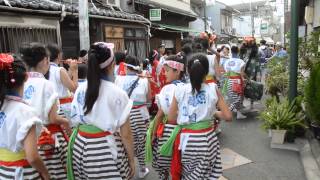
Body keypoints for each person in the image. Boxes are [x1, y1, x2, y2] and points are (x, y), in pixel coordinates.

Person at [160, 53, 232, 180]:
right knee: (207, 174)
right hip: (208, 140)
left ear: (188, 70)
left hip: (187, 141)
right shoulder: (213, 88)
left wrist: (187, 118)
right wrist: (212, 113)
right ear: (206, 71)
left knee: (189, 175)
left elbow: (171, 118)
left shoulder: (180, 90)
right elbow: (228, 116)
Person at [69, 42, 135, 179]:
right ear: (112, 65)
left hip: (80, 145)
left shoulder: (81, 88)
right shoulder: (118, 93)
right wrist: (131, 159)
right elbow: (126, 134)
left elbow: (73, 119)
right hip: (104, 148)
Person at [20, 43, 70, 179]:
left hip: (27, 140)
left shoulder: (20, 83)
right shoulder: (46, 84)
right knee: (56, 173)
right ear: (45, 60)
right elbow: (53, 118)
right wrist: (67, 121)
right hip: (49, 137)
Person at [0, 54, 50, 180]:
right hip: (22, 171)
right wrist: (45, 173)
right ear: (26, 77)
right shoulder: (26, 112)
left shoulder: (3, 105)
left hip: (3, 169)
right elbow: (32, 157)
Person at [145, 55, 185, 180]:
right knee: (180, 162)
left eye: (167, 71)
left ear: (177, 71)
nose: (164, 73)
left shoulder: (166, 89)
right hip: (184, 132)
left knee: (163, 160)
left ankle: (164, 175)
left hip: (167, 131)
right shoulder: (187, 88)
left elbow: (160, 114)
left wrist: (153, 134)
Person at [115, 55, 151, 178]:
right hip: (141, 114)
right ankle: (141, 169)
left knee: (124, 141)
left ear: (126, 67)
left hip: (124, 114)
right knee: (141, 141)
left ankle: (127, 168)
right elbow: (149, 100)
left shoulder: (118, 79)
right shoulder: (145, 80)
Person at [47, 44, 78, 119]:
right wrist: (75, 70)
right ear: (59, 55)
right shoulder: (59, 70)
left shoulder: (44, 70)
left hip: (49, 108)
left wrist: (70, 69)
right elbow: (74, 89)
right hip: (62, 108)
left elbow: (64, 81)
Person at [222, 46, 247, 120]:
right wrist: (245, 80)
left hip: (229, 80)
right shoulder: (240, 61)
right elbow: (242, 74)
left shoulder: (227, 61)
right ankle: (227, 112)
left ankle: (238, 113)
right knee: (238, 98)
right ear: (238, 51)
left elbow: (226, 72)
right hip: (237, 81)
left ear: (231, 52)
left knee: (234, 98)